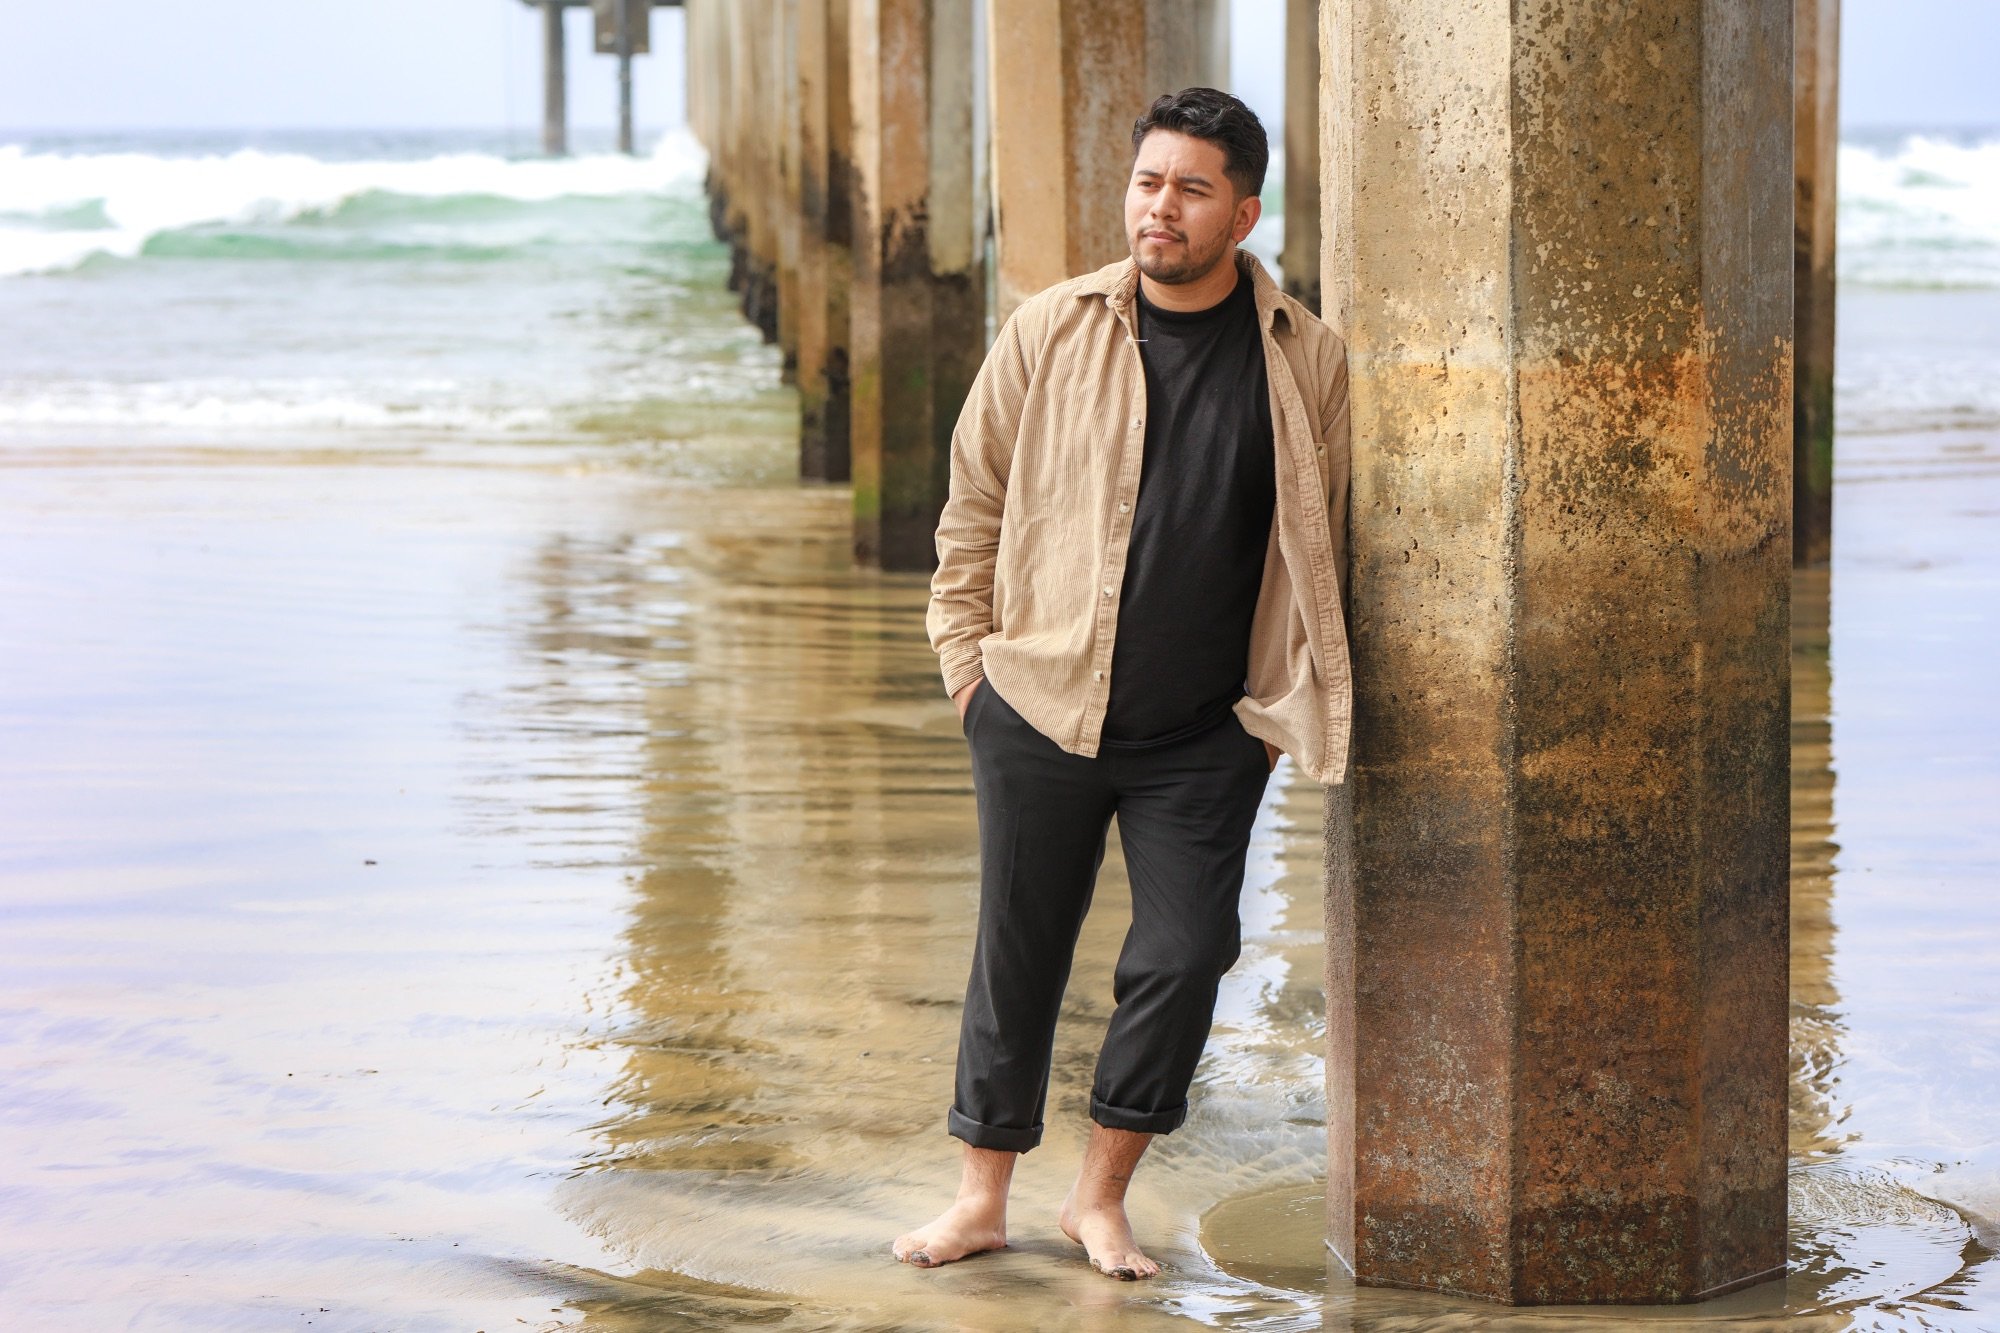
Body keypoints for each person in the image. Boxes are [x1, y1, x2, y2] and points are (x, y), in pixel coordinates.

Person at [893, 85, 1354, 1281]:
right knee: (1017, 951)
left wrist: (1269, 721)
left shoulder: (1305, 359)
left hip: (1204, 734)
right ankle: (978, 1197)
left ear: (1240, 214)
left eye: (1191, 189)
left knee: (1185, 954)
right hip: (1035, 701)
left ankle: (1097, 1198)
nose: (1161, 207)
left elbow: (1326, 544)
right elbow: (972, 504)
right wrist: (967, 671)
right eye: (1148, 182)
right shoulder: (1049, 328)